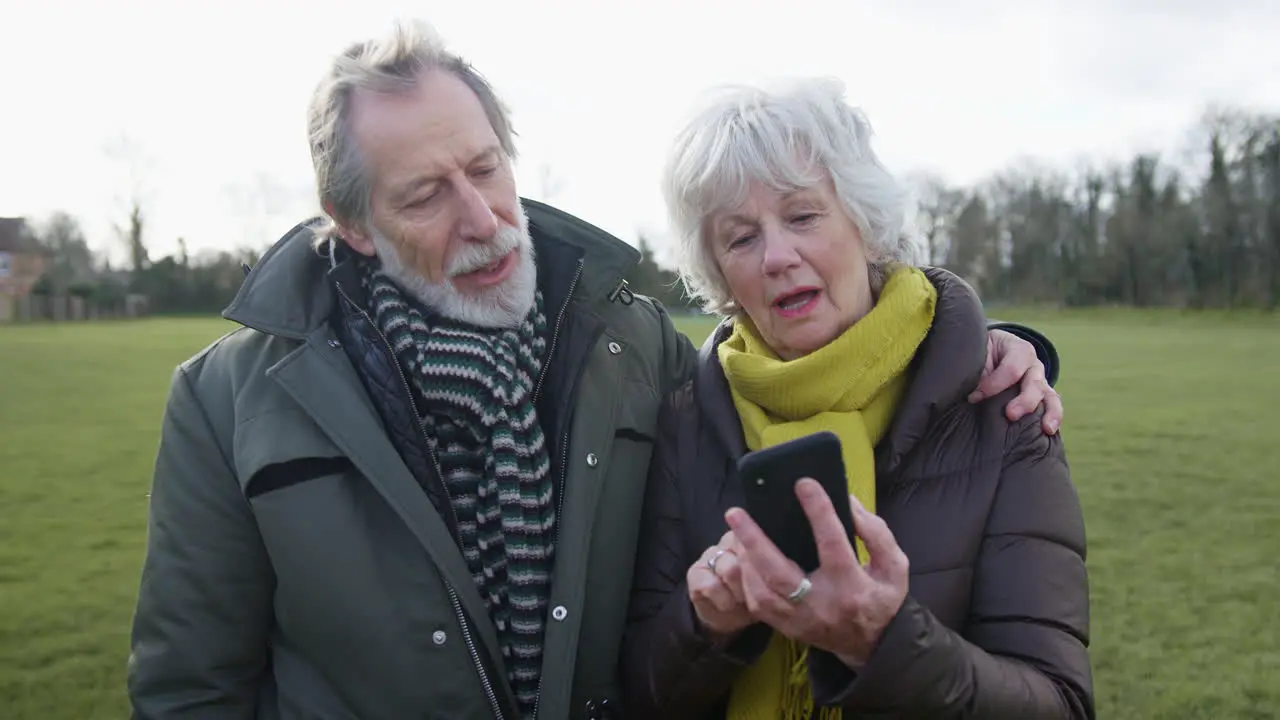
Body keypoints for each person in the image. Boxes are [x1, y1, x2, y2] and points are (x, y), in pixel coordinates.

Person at [125, 21, 1066, 720]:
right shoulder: (228, 404)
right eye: (425, 195)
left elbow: (841, 341)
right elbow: (190, 692)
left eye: (486, 169)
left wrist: (997, 344)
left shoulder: (631, 347)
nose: (485, 217)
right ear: (352, 224)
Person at [621, 77, 1092, 720]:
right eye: (740, 237)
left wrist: (883, 643)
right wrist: (704, 625)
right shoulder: (688, 420)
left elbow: (1060, 704)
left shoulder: (1001, 408)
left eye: (803, 215)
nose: (777, 257)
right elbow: (635, 694)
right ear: (719, 272)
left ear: (865, 225)